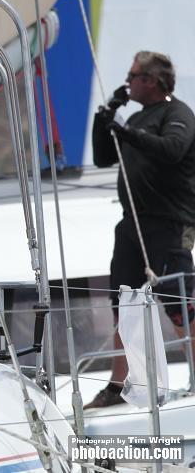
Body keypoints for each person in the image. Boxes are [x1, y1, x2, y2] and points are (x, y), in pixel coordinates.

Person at [87, 51, 195, 408]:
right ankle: (120, 384)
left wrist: (126, 131)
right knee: (124, 302)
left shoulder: (176, 113)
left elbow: (173, 150)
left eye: (132, 76)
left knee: (180, 303)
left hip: (168, 223)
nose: (127, 81)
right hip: (132, 223)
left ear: (150, 80)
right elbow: (104, 157)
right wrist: (105, 120)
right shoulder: (137, 116)